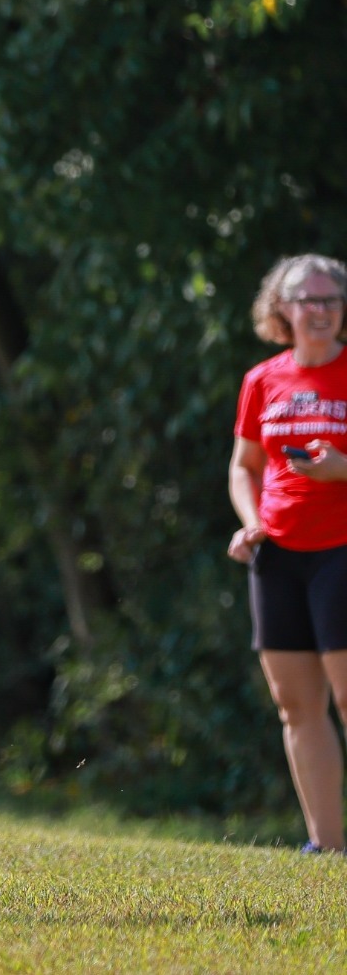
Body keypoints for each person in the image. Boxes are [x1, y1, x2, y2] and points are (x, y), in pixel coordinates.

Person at [228, 253, 347, 855]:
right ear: (283, 308)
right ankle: (327, 847)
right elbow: (244, 468)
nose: (320, 311)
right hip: (277, 554)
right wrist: (250, 526)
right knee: (296, 704)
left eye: (330, 299)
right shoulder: (263, 380)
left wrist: (340, 470)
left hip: (342, 550)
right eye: (308, 300)